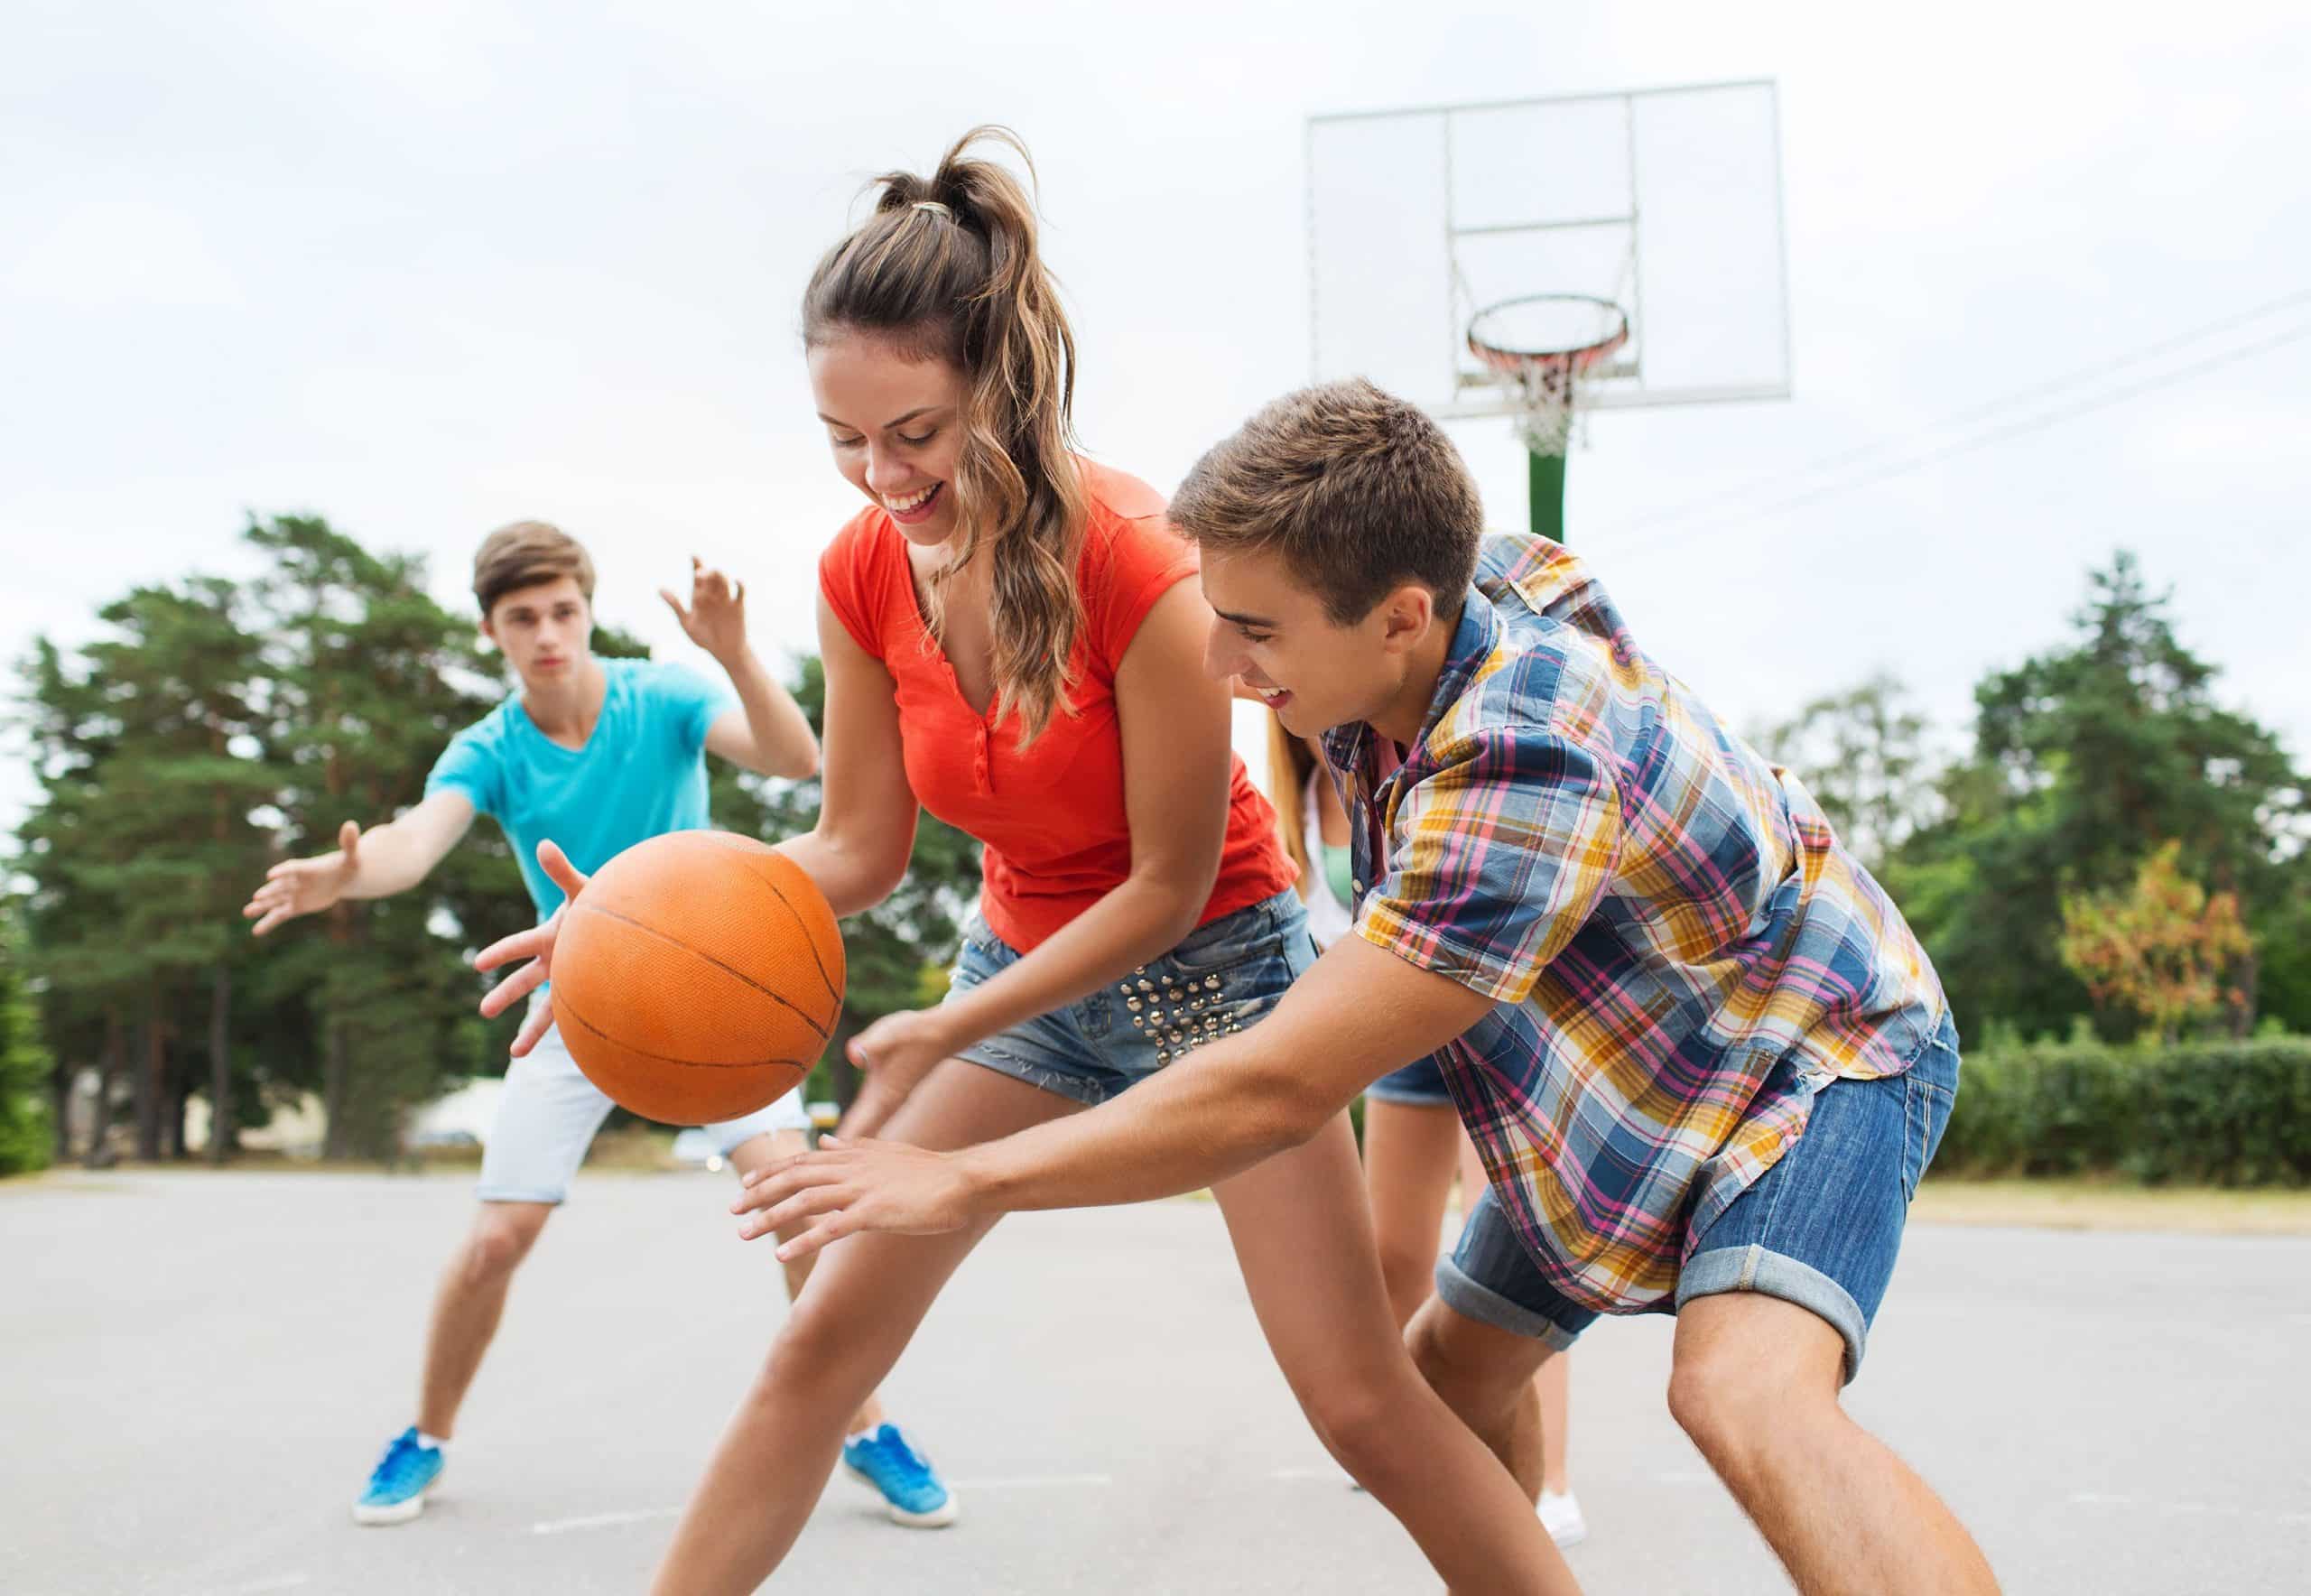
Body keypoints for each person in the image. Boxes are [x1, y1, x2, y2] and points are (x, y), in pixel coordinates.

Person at [475, 132, 1576, 1595]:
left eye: (915, 432)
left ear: (1005, 378)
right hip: (1022, 974)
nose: (882, 475)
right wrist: (628, 919)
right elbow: (858, 845)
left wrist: (950, 1021)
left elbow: (1166, 885)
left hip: (1223, 980)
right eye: (843, 440)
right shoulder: (860, 567)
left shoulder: (1145, 561)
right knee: (818, 1347)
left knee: (1365, 1405)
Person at [745, 379, 2001, 1595]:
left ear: (1400, 617)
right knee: (1443, 1392)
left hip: (1803, 1049)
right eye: (1220, 617)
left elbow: (1277, 1083)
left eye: (1256, 633)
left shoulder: (1517, 769)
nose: (1225, 667)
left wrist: (961, 1177)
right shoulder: (1443, 590)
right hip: (1613, 1079)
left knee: (1738, 1393)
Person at [243, 525, 951, 1529]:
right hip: (574, 1001)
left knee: (796, 1206)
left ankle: (865, 1424)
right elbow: (412, 842)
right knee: (496, 1239)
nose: (548, 634)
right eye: (523, 618)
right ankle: (425, 1433)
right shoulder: (489, 746)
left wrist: (733, 650)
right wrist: (348, 873)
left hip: (715, 992)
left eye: (563, 611)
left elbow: (794, 759)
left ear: (586, 608)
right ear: (492, 629)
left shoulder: (658, 697)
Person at [1267, 716, 1586, 1549]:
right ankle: (1420, 1432)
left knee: (1514, 1265)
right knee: (1394, 1258)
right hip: (1395, 1042)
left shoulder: (1410, 757)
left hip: (1493, 1025)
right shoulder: (1294, 801)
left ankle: (1550, 1482)